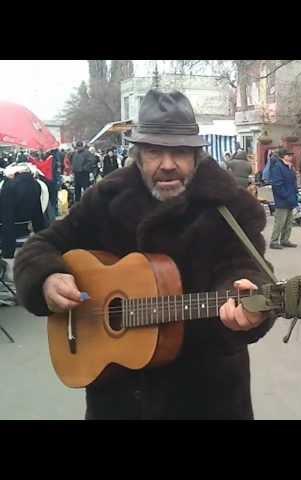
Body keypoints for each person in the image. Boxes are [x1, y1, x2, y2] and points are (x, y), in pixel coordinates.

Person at [13, 89, 276, 420]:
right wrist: (47, 276)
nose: (167, 165)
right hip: (118, 399)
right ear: (138, 154)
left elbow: (248, 268)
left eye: (179, 152)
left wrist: (248, 301)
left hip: (207, 398)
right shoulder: (106, 199)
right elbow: (39, 247)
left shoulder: (229, 205)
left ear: (196, 156)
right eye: (154, 151)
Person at [269, 148, 298, 249]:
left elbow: (293, 182)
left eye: (291, 154)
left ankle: (285, 240)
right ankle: (274, 241)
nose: (291, 156)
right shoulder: (278, 167)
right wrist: (286, 195)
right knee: (280, 221)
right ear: (283, 156)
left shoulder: (290, 167)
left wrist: (295, 194)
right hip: (282, 198)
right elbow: (277, 185)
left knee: (289, 221)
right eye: (288, 155)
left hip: (290, 197)